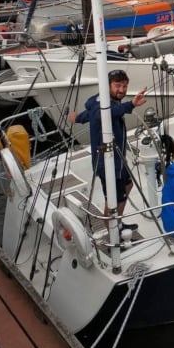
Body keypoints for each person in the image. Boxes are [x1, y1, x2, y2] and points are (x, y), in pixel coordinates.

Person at [69, 69, 147, 230]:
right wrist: (131, 104)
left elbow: (89, 115)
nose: (122, 90)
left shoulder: (103, 101)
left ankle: (117, 223)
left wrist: (77, 118)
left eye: (125, 86)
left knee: (128, 185)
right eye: (118, 85)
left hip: (117, 159)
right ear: (107, 86)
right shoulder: (102, 106)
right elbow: (102, 114)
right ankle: (112, 230)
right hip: (107, 162)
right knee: (114, 199)